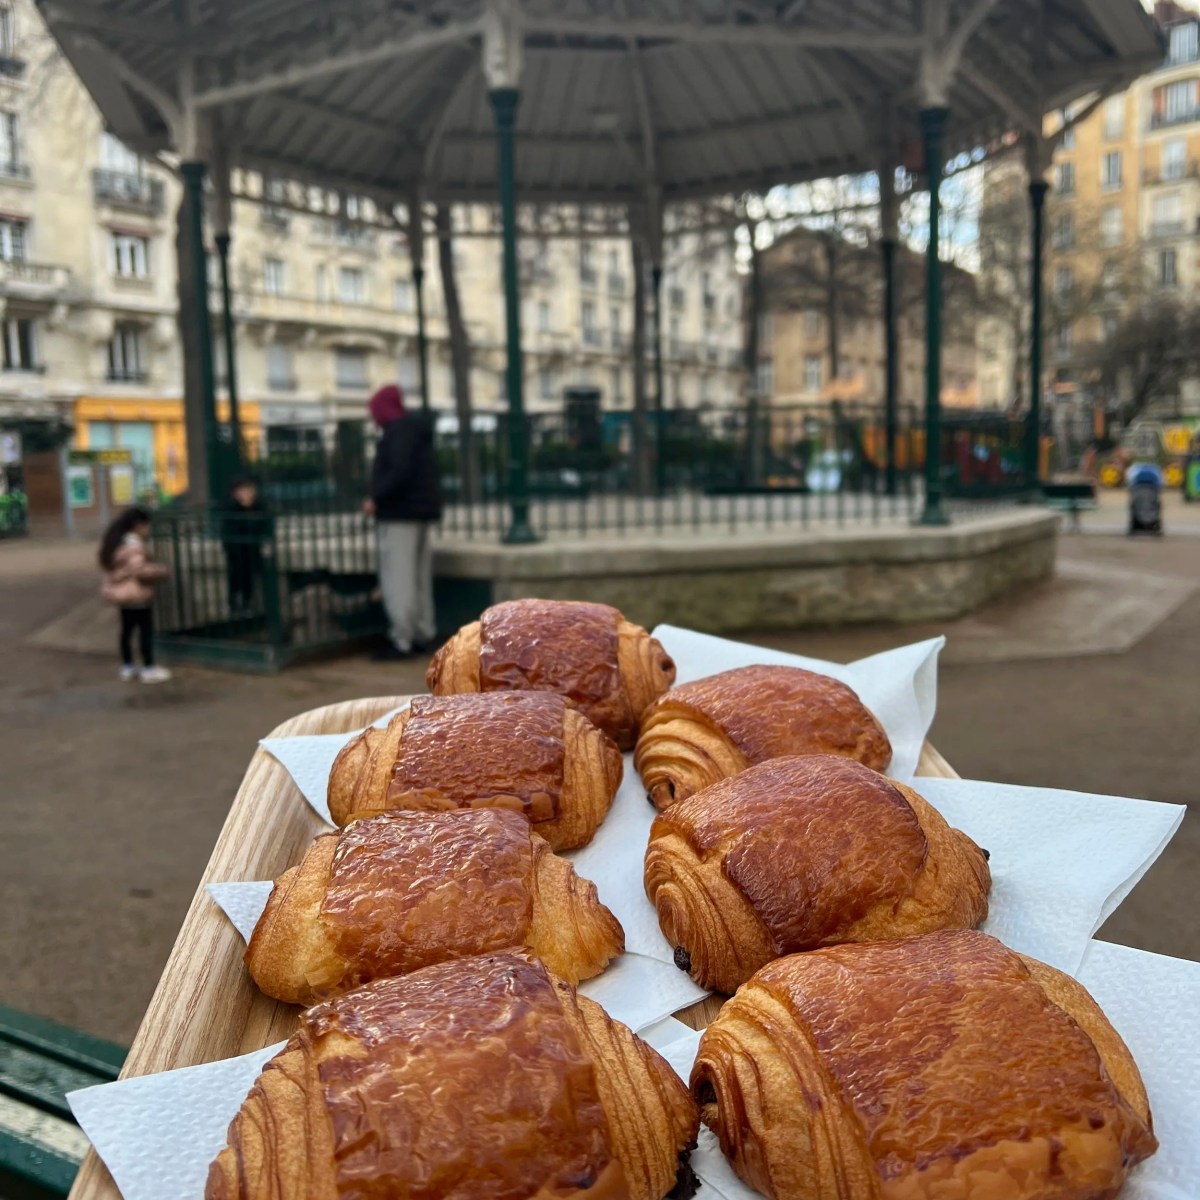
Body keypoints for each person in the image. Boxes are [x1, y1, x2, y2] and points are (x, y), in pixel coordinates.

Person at [364, 383, 442, 660]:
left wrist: (376, 497)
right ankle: (423, 632)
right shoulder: (416, 431)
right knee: (419, 578)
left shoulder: (396, 433)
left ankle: (402, 639)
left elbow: (398, 472)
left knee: (399, 579)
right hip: (420, 512)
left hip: (398, 514)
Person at [98, 506, 171, 683]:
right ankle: (148, 667)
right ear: (138, 525)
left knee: (126, 631)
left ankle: (128, 666)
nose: (148, 530)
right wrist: (160, 571)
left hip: (123, 595)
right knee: (145, 631)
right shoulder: (135, 544)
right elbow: (139, 569)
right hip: (138, 594)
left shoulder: (116, 543)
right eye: (147, 526)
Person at [221, 477, 270, 616]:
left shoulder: (259, 506)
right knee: (236, 575)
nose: (247, 494)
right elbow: (233, 529)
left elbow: (263, 524)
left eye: (250, 490)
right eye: (243, 490)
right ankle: (233, 604)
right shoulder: (231, 507)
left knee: (251, 576)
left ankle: (247, 604)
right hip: (236, 550)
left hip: (253, 548)